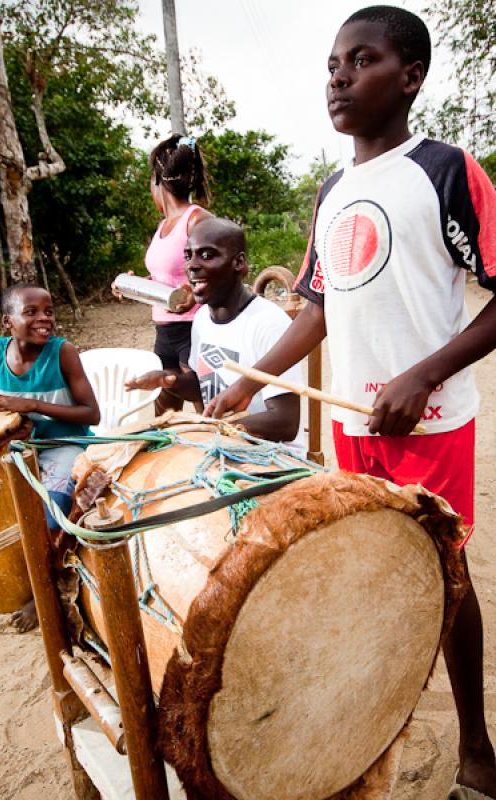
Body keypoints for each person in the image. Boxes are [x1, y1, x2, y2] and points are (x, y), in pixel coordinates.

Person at [204, 6, 496, 797]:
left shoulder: (444, 169)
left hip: (427, 423)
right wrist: (249, 381)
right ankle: (369, 716)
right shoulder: (332, 192)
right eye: (332, 62)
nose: (338, 75)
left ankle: (475, 748)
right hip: (348, 423)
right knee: (367, 570)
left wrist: (422, 375)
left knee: (446, 574)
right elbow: (319, 308)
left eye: (360, 60)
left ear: (409, 77)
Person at [0, 284, 100, 632]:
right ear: (8, 321)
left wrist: (32, 405)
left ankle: (45, 591)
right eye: (32, 312)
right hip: (19, 447)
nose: (44, 319)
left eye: (48, 311)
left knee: (51, 515)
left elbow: (92, 414)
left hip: (64, 444)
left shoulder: (62, 352)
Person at [125, 216, 305, 454]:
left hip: (272, 458)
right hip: (224, 448)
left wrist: (211, 429)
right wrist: (168, 381)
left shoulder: (267, 323)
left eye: (207, 255)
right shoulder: (201, 320)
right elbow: (206, 385)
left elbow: (285, 422)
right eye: (189, 256)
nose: (191, 265)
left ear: (239, 263)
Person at [114, 134, 211, 415]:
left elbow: (221, 271)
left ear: (157, 179)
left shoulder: (197, 220)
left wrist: (195, 294)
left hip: (194, 330)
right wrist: (133, 285)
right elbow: (165, 279)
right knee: (165, 417)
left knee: (206, 415)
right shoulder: (164, 225)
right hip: (164, 331)